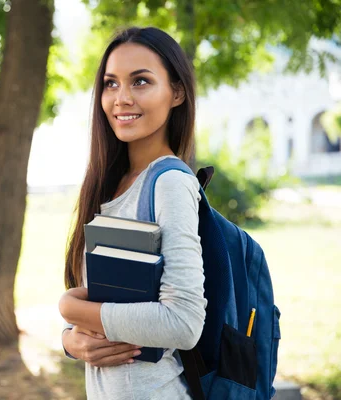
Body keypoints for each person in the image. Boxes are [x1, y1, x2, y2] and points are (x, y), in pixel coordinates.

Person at [59, 26, 207, 399]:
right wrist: (71, 341)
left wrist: (70, 307)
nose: (121, 98)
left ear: (176, 92)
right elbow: (112, 302)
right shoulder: (109, 184)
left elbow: (183, 323)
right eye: (111, 84)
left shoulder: (169, 182)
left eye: (140, 81)